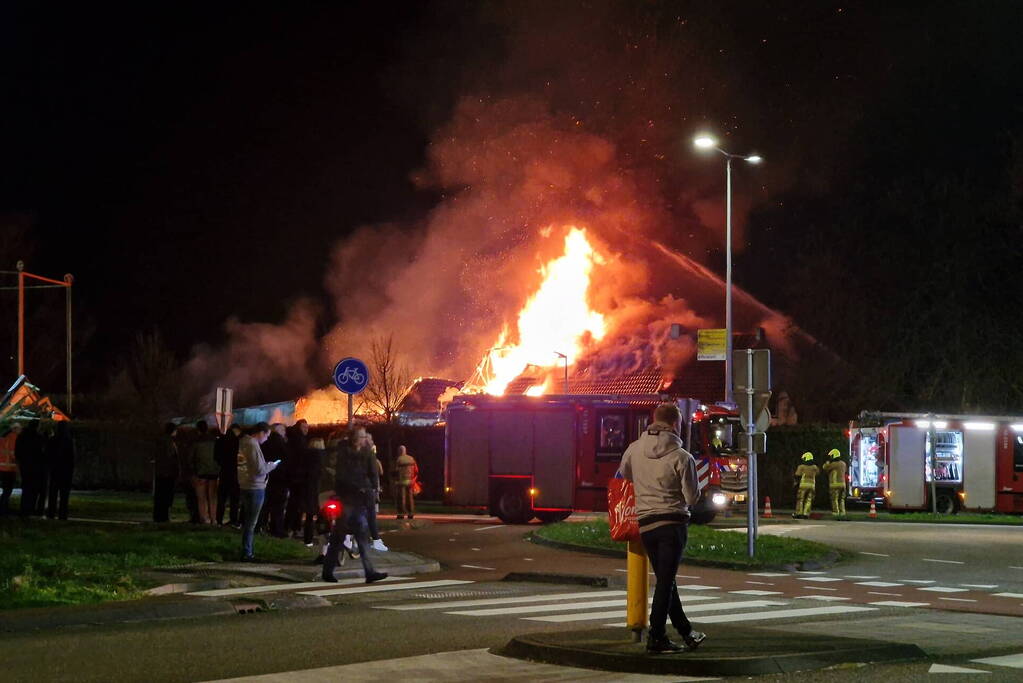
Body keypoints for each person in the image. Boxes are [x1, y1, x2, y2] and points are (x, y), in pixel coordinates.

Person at [617, 403, 706, 654]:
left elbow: (625, 474)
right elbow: (691, 497)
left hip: (646, 525)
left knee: (667, 581)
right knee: (666, 582)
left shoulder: (634, 449)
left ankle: (687, 632)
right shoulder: (682, 457)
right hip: (672, 525)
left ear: (653, 420)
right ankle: (656, 637)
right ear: (676, 424)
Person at [322, 426, 387, 584]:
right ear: (353, 438)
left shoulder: (367, 453)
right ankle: (328, 571)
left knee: (361, 536)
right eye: (361, 436)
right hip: (347, 499)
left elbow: (373, 475)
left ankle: (369, 571)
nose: (363, 439)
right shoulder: (343, 453)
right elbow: (342, 475)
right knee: (339, 536)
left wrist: (371, 489)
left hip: (361, 500)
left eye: (364, 436)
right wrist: (358, 486)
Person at [237, 422, 280, 561]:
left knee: (248, 521)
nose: (266, 439)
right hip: (255, 487)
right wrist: (271, 466)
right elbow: (259, 470)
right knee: (251, 523)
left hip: (245, 484)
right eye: (266, 436)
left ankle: (247, 550)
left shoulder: (243, 442)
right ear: (261, 432)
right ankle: (247, 553)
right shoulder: (252, 444)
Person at [260, 423, 290, 536]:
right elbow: (287, 460)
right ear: (278, 431)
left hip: (266, 477)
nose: (285, 433)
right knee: (278, 506)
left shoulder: (265, 443)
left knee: (265, 504)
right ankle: (276, 529)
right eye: (283, 430)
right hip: (280, 479)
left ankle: (261, 526)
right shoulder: (281, 443)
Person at [284, 419, 311, 536]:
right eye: (304, 427)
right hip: (298, 477)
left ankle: (290, 526)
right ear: (299, 428)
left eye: (307, 427)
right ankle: (293, 527)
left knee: (293, 503)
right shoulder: (298, 440)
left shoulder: (293, 438)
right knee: (296, 503)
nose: (307, 430)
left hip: (294, 476)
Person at [15, 421, 46, 518]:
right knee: (34, 489)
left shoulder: (21, 437)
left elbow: (17, 452)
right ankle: (30, 508)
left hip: (25, 466)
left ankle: (24, 509)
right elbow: (42, 452)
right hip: (35, 467)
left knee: (26, 488)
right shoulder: (38, 438)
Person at [45, 421, 75, 520]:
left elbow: (47, 454)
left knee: (53, 493)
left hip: (55, 470)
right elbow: (71, 457)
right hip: (65, 471)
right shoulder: (69, 440)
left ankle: (51, 513)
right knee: (64, 495)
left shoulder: (53, 440)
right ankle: (62, 514)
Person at [191, 420, 219, 524]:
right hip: (213, 473)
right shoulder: (215, 441)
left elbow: (191, 458)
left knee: (201, 498)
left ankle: (204, 518)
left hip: (200, 473)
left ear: (198, 430)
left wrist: (193, 471)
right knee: (212, 497)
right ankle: (213, 519)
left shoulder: (196, 442)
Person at [215, 423, 243, 526]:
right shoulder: (238, 442)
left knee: (222, 498)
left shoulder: (220, 440)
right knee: (234, 499)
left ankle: (218, 519)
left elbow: (216, 457)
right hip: (235, 473)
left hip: (224, 472)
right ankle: (233, 520)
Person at [153, 422, 180, 523]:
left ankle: (159, 516)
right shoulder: (169, 442)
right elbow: (171, 458)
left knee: (160, 495)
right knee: (166, 495)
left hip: (161, 472)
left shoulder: (160, 441)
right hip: (168, 473)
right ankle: (163, 516)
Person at [0, 422, 22, 515]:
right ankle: (3, 508)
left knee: (5, 489)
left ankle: (3, 506)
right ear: (15, 429)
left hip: (1, 467)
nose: (20, 431)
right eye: (19, 429)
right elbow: (15, 455)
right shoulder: (15, 439)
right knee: (8, 490)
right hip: (10, 469)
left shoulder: (3, 438)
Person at [394, 445, 418, 520]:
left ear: (400, 451)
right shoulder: (411, 459)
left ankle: (401, 514)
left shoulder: (399, 459)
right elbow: (416, 470)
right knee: (410, 498)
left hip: (401, 482)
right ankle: (410, 513)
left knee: (401, 498)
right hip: (410, 481)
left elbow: (396, 471)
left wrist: (395, 480)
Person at [793, 452, 819, 520]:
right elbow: (818, 473)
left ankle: (799, 513)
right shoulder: (814, 467)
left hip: (803, 485)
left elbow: (797, 475)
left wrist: (795, 483)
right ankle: (806, 513)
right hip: (812, 486)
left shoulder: (801, 467)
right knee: (809, 500)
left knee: (800, 499)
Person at [822, 448, 848, 517]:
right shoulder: (843, 463)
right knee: (841, 499)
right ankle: (842, 513)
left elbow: (825, 468)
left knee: (834, 499)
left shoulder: (833, 464)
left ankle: (836, 512)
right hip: (843, 484)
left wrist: (827, 462)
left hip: (834, 484)